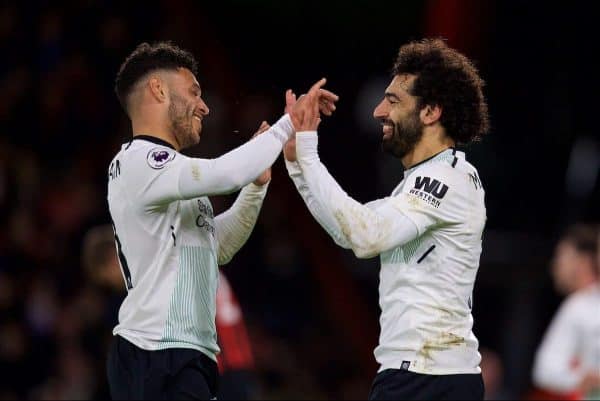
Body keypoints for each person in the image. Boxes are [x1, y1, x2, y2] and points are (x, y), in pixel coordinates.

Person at [106, 41, 337, 400]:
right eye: (194, 92)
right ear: (158, 88)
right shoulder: (139, 160)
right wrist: (287, 124)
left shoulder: (169, 174)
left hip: (184, 352)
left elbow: (218, 248)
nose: (205, 106)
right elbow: (224, 172)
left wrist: (255, 188)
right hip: (154, 351)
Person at [283, 38, 489, 400]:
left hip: (425, 377)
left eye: (393, 100)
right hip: (431, 375)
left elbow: (365, 236)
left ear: (430, 112)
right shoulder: (426, 181)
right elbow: (349, 232)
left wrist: (308, 150)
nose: (379, 111)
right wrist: (299, 165)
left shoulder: (443, 179)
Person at [532, 224, 600, 400]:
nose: (555, 266)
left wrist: (577, 378)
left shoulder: (578, 307)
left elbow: (545, 370)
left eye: (562, 257)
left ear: (584, 260)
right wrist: (580, 378)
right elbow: (545, 370)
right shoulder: (579, 306)